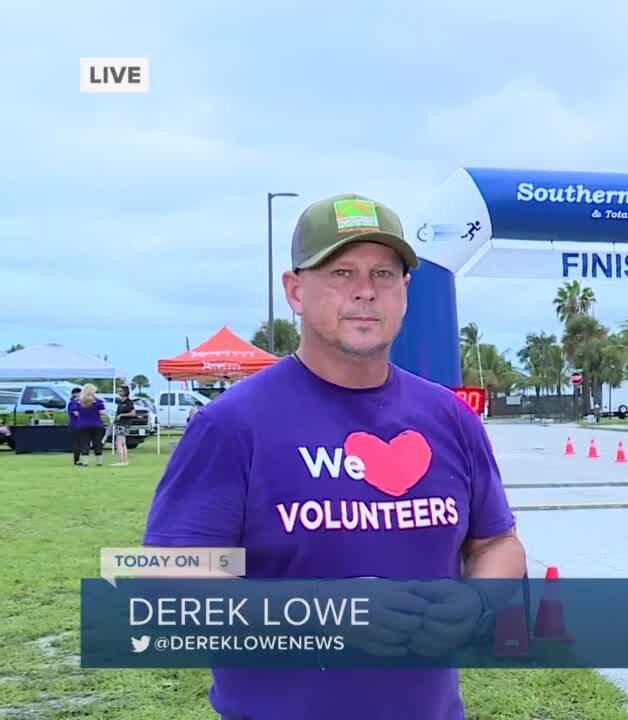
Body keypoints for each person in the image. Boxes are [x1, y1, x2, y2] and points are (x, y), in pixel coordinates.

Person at [142, 193, 528, 720]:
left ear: (405, 292)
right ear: (296, 291)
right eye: (341, 272)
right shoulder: (233, 424)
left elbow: (497, 543)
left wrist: (476, 603)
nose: (366, 292)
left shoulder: (450, 418)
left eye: (384, 274)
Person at [72, 384, 106, 466]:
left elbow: (75, 412)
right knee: (97, 443)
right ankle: (99, 462)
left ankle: (85, 462)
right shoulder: (98, 402)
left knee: (85, 443)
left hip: (82, 425)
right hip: (96, 424)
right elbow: (103, 412)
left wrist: (84, 415)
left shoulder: (78, 402)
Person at [111, 385, 137, 466]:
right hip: (119, 423)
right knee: (122, 442)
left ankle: (121, 461)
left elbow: (133, 413)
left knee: (119, 442)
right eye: (118, 391)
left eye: (121, 391)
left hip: (124, 424)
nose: (119, 393)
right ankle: (124, 460)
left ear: (125, 392)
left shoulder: (129, 402)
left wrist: (122, 415)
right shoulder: (120, 402)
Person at [66, 387, 83, 466]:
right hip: (75, 425)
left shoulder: (78, 403)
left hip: (79, 425)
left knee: (80, 443)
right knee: (77, 443)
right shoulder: (73, 403)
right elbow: (76, 413)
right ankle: (76, 460)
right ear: (76, 394)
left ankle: (78, 459)